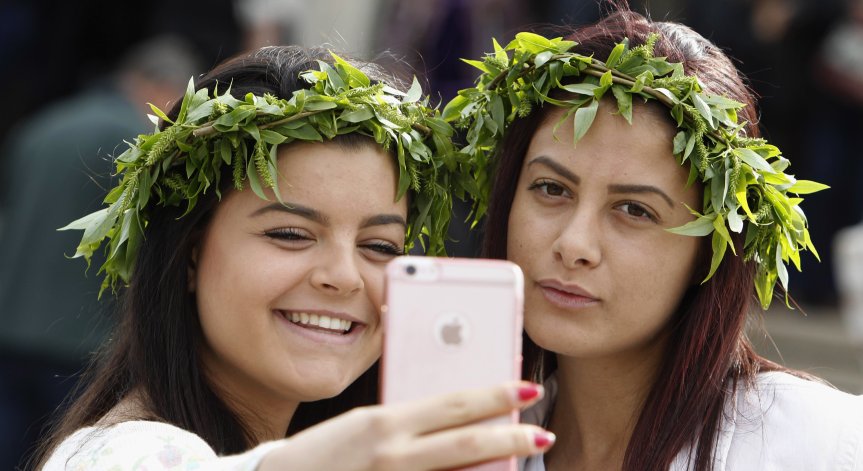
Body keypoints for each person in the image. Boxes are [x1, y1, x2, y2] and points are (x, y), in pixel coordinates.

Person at [32, 46, 555, 470]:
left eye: (379, 247)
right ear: (189, 252)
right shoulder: (125, 453)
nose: (344, 278)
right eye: (290, 233)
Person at [445, 3, 863, 470]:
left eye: (633, 210)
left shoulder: (818, 445)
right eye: (551, 188)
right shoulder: (463, 449)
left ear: (710, 251)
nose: (574, 245)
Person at [0, 35, 199, 470]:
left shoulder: (42, 125)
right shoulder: (131, 138)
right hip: (76, 338)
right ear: (157, 85)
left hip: (11, 326)